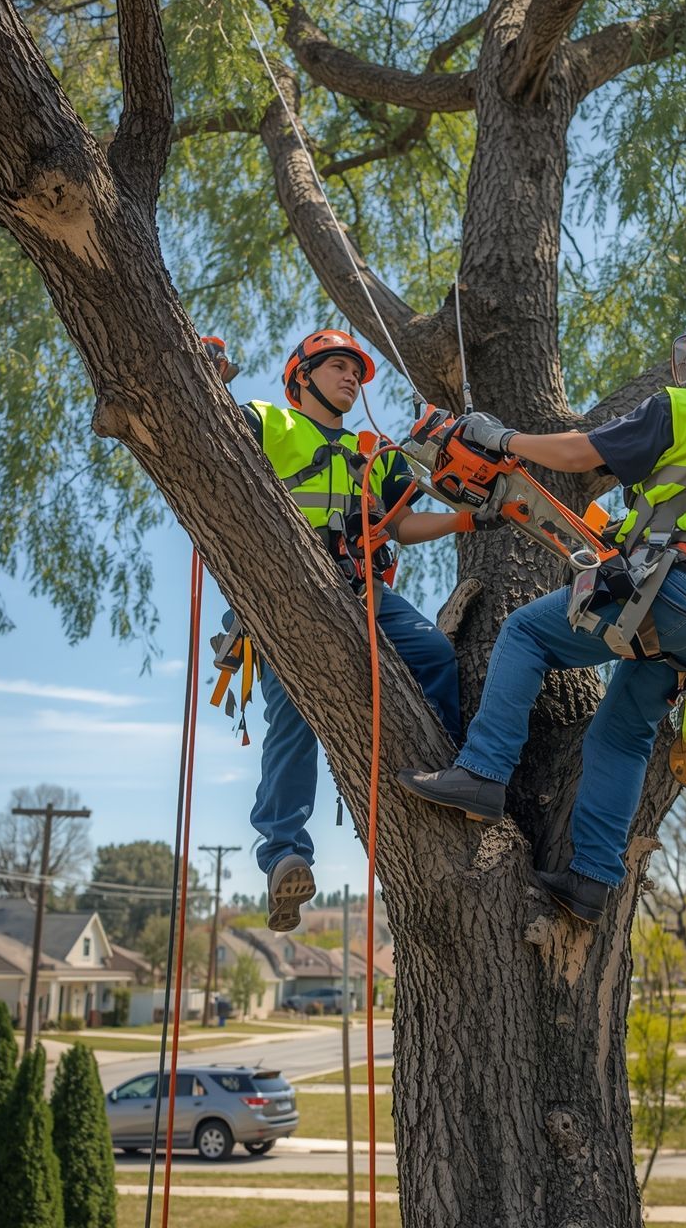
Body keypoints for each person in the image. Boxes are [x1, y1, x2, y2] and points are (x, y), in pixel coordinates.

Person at [398, 303, 686, 923]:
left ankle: (482, 772)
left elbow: (583, 454)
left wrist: (499, 438)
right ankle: (591, 882)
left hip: (669, 590)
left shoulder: (683, 408)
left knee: (526, 632)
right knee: (623, 733)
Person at [238, 328, 476, 932]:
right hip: (282, 595)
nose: (352, 378)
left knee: (433, 654)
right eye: (339, 366)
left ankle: (446, 775)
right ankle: (284, 853)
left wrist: (465, 519)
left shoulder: (377, 450)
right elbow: (207, 448)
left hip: (366, 591)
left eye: (356, 371)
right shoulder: (268, 422)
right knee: (293, 715)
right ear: (302, 378)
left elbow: (403, 526)